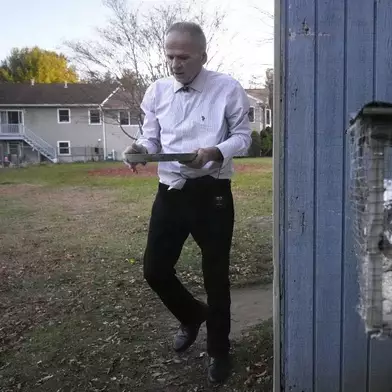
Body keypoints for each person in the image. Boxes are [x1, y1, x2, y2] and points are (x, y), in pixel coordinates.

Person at [122, 21, 252, 385]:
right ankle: (192, 314)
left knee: (216, 277)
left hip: (212, 193)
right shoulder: (157, 91)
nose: (175, 64)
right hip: (171, 191)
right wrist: (139, 151)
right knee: (154, 270)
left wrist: (215, 152)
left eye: (183, 56)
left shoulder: (226, 88)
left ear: (202, 56)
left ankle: (219, 350)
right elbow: (150, 139)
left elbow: (243, 138)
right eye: (170, 56)